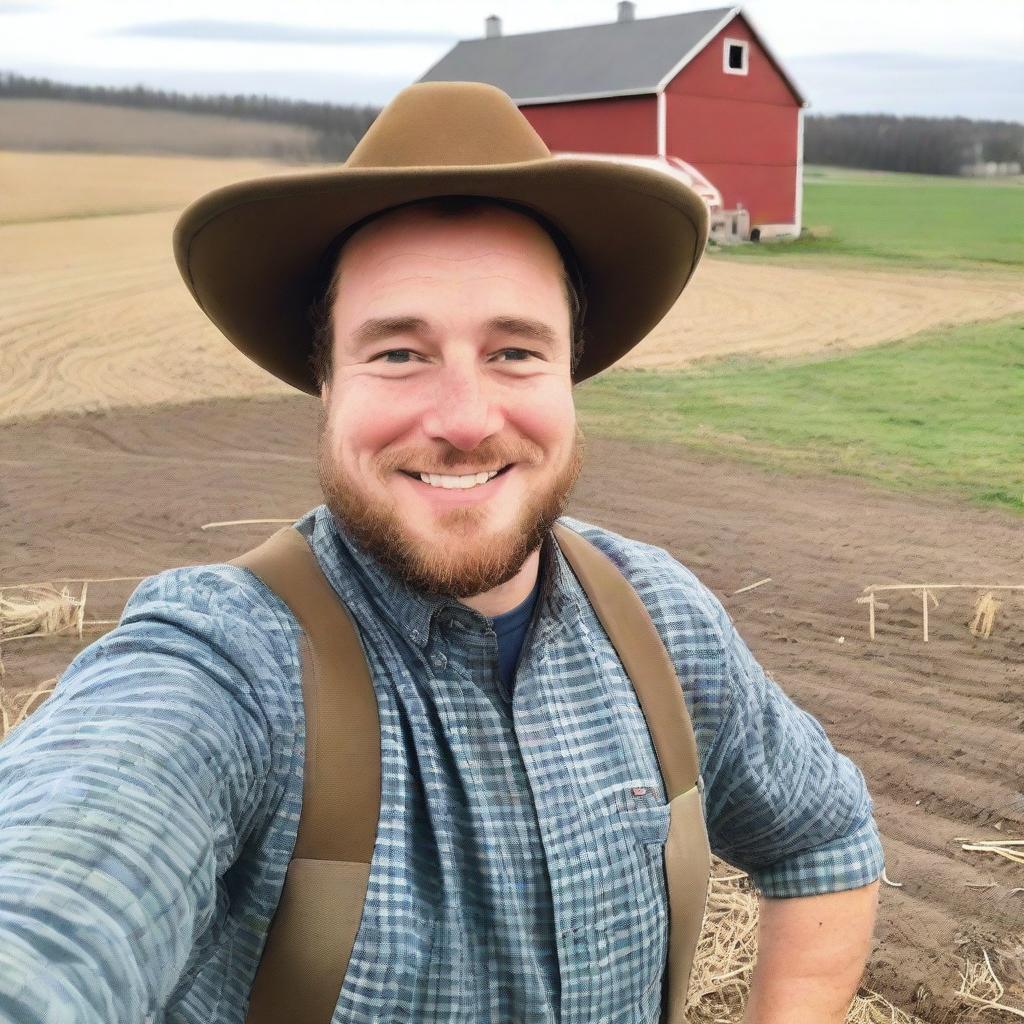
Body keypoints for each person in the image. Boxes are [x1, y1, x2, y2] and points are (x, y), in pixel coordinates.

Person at [0, 82, 883, 1024]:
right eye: (398, 354)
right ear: (326, 381)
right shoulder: (227, 665)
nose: (465, 421)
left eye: (515, 352)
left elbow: (823, 837)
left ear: (571, 373)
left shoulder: (661, 620)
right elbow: (55, 906)